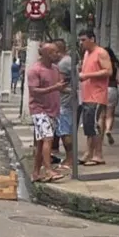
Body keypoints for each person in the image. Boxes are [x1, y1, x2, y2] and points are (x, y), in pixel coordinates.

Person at [26, 42, 66, 183]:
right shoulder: (35, 70)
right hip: (39, 110)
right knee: (48, 138)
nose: (58, 55)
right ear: (47, 54)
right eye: (55, 52)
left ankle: (36, 173)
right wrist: (55, 87)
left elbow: (58, 87)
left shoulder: (55, 69)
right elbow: (34, 91)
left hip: (53, 110)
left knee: (41, 142)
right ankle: (48, 170)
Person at [78, 29, 111, 166]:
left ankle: (98, 154)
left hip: (97, 95)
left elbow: (108, 71)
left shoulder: (101, 52)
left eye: (84, 40)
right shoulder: (86, 53)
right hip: (86, 94)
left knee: (96, 124)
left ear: (92, 39)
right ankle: (88, 152)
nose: (81, 43)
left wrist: (88, 75)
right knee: (88, 125)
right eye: (80, 40)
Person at [52, 39, 75, 170]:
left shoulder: (62, 64)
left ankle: (69, 159)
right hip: (69, 100)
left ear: (58, 51)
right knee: (67, 131)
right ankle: (70, 157)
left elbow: (60, 85)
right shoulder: (69, 61)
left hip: (64, 102)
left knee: (64, 131)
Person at [104, 47, 119, 145]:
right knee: (110, 114)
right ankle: (108, 130)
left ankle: (99, 136)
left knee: (100, 115)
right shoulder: (115, 65)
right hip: (112, 89)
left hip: (101, 89)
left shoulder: (100, 64)